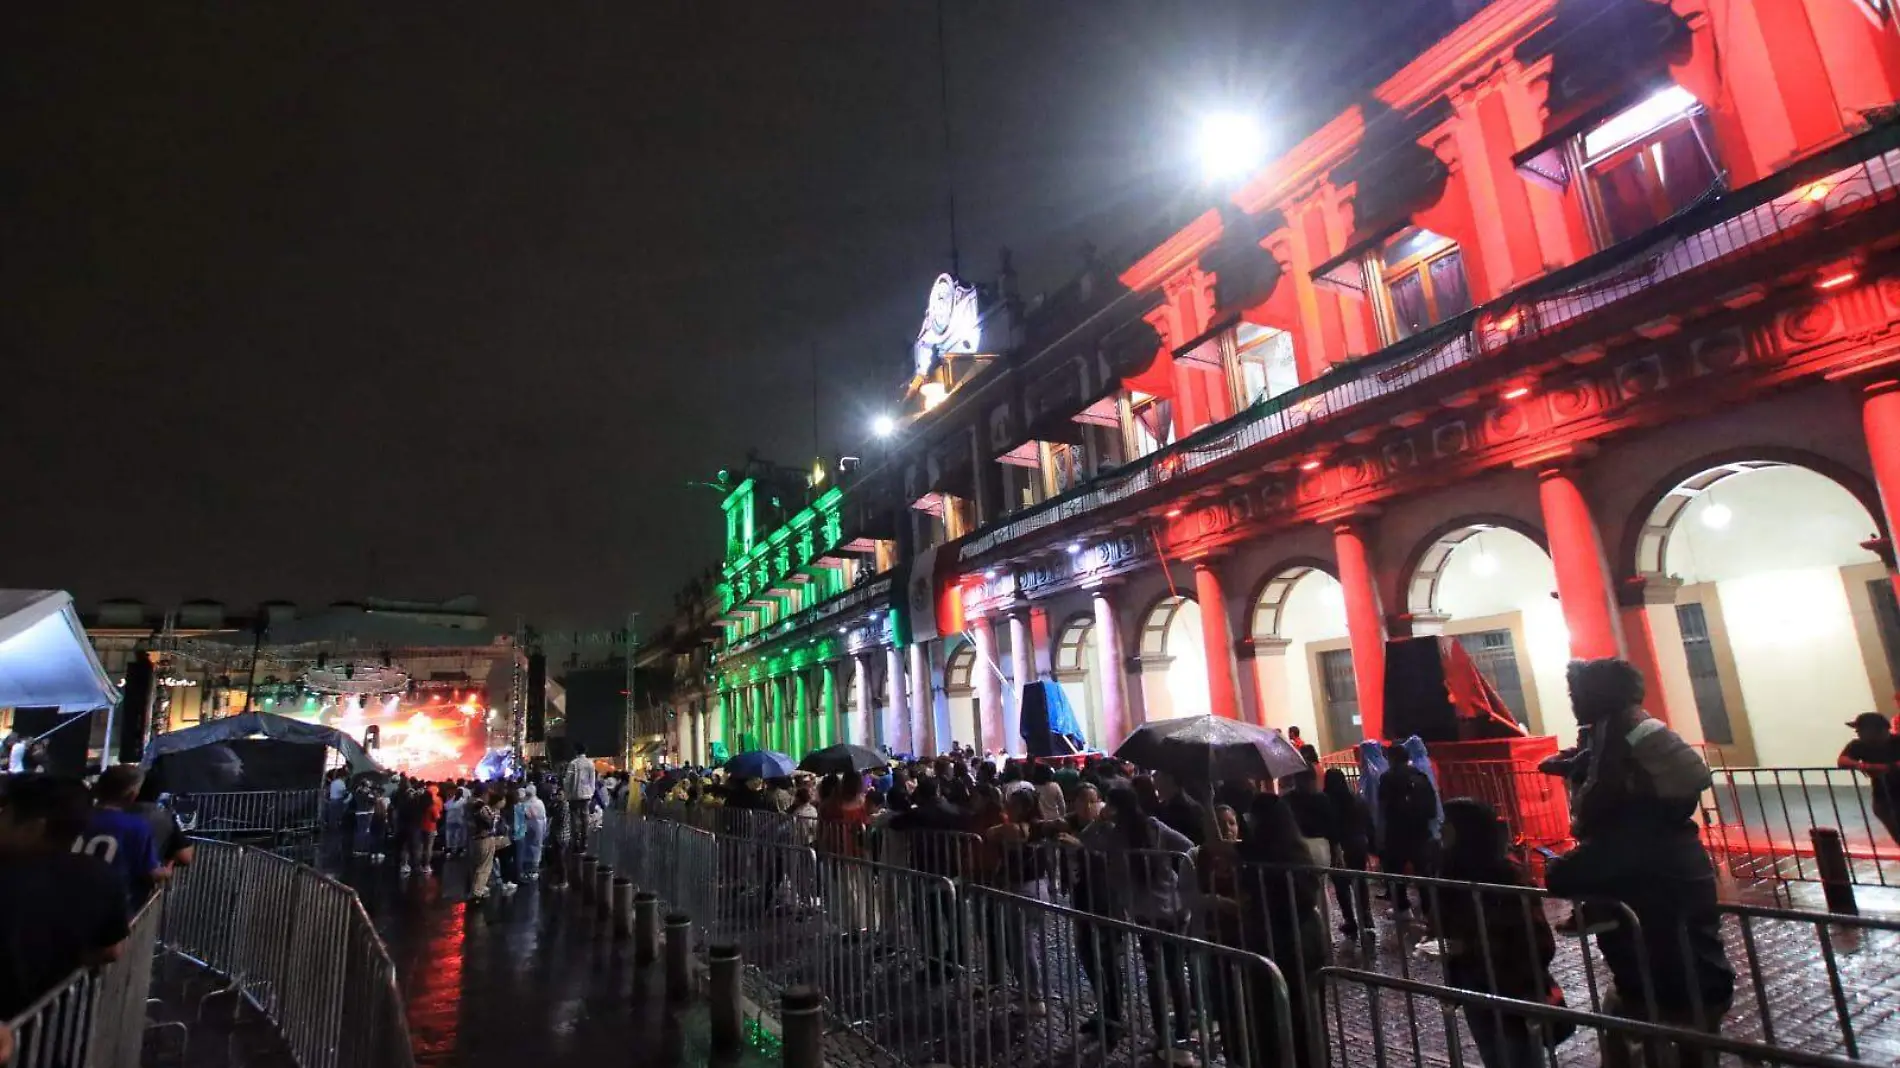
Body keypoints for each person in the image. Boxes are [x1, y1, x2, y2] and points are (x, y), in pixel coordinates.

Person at [1546, 658, 1732, 1068]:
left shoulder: (1634, 833)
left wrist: (1564, 865)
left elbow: (1566, 874)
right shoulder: (1671, 830)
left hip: (1669, 986)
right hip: (1665, 978)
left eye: (1578, 695)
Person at [1434, 798, 1563, 1068]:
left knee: (1519, 1057)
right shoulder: (1448, 870)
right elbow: (1446, 923)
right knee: (1492, 1056)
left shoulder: (1506, 875)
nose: (1441, 829)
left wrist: (1468, 946)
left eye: (1448, 824)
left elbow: (1535, 940)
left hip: (1511, 987)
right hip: (1471, 982)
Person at [0, 775, 133, 1021]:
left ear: (33, 828)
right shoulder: (103, 877)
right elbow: (111, 950)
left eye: (5, 813)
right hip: (59, 1027)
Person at [1078, 786, 1195, 1060]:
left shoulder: (1112, 835)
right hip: (1174, 909)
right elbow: (1187, 846)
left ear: (1116, 808)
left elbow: (1085, 840)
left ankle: (1163, 1035)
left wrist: (1099, 819)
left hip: (1148, 914)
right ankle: (1182, 1034)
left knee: (1156, 975)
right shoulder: (1153, 826)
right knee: (1176, 972)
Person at [1233, 792, 1326, 1068]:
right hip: (1306, 938)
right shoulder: (1298, 850)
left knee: (1276, 1012)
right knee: (1305, 1011)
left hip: (1277, 941)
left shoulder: (1261, 852)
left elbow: (1219, 848)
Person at [74, 765, 166, 911]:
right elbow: (150, 872)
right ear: (132, 795)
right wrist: (166, 871)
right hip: (113, 908)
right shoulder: (136, 827)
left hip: (70, 900)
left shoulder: (74, 818)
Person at [1378, 743, 1439, 915]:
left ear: (1392, 758)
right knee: (1423, 872)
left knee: (1395, 871)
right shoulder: (1420, 775)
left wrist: (1381, 833)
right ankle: (1429, 910)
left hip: (1397, 832)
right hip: (1420, 831)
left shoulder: (1388, 777)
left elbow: (1383, 806)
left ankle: (1403, 909)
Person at [1322, 768, 1375, 936]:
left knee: (1341, 885)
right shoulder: (1357, 798)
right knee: (1360, 881)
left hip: (1339, 847)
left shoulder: (1327, 801)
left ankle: (1350, 920)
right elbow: (1368, 821)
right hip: (1359, 844)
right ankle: (1366, 917)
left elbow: (1329, 826)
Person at [1840, 711, 1900, 847]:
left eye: (1860, 729)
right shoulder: (1858, 745)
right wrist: (1864, 765)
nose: (1857, 732)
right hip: (1883, 799)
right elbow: (1842, 760)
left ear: (1876, 730)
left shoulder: (1897, 742)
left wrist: (1890, 767)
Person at [466, 788, 503, 903]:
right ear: (484, 794)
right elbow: (490, 823)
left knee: (477, 865)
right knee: (484, 866)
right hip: (485, 838)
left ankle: (474, 889)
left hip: (474, 839)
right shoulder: (483, 807)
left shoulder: (468, 804)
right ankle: (477, 892)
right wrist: (496, 814)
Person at [564, 745, 597, 850]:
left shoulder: (573, 763)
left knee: (575, 818)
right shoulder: (590, 763)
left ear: (576, 751)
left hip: (575, 795)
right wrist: (591, 792)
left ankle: (576, 840)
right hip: (587, 795)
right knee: (585, 817)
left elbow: (568, 780)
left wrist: (567, 793)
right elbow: (593, 780)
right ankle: (585, 840)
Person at [520, 784, 549, 880]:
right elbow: (544, 818)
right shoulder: (539, 803)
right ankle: (533, 870)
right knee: (535, 849)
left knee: (529, 849)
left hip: (530, 829)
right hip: (538, 829)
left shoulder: (526, 804)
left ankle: (529, 871)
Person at [443, 787, 469, 857]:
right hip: (450, 821)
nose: (458, 794)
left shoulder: (463, 801)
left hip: (458, 821)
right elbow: (446, 807)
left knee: (459, 836)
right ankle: (450, 850)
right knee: (450, 836)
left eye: (459, 793)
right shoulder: (451, 800)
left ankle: (459, 850)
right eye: (457, 792)